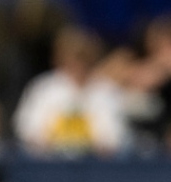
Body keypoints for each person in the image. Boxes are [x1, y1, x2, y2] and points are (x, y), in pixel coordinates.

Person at [12, 26, 127, 158]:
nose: (78, 64)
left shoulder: (106, 91)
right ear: (61, 58)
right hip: (49, 165)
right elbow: (27, 128)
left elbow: (116, 137)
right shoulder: (43, 88)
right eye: (73, 58)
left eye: (83, 58)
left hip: (95, 166)